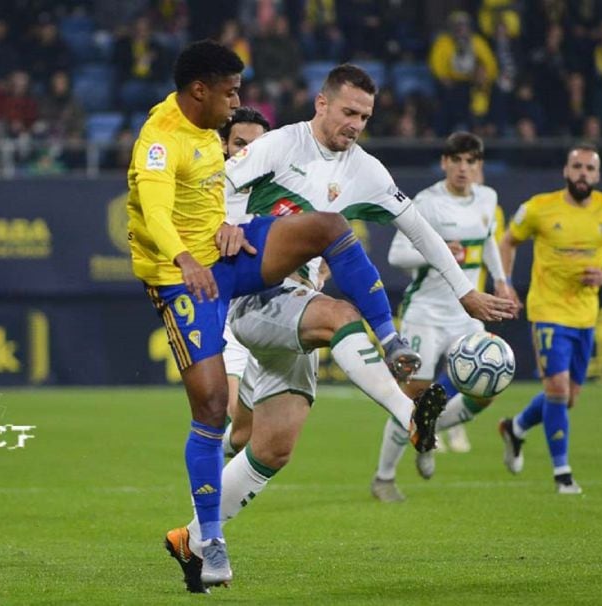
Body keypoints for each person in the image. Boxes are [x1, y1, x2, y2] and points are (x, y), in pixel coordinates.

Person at [163, 64, 518, 590]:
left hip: (296, 309)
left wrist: (465, 291)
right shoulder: (279, 145)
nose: (356, 123)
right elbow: (218, 184)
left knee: (272, 447)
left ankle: (190, 539)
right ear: (321, 104)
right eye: (349, 111)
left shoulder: (367, 170)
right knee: (340, 315)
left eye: (366, 116)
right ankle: (410, 414)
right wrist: (227, 224)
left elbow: (417, 230)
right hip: (257, 298)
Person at [131, 41, 444, 592]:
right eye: (230, 93)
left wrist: (230, 225)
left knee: (271, 443)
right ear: (200, 91)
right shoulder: (162, 142)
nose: (238, 102)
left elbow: (220, 189)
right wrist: (184, 255)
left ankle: (392, 346)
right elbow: (157, 209)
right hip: (187, 278)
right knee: (212, 408)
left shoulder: (212, 128)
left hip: (239, 264)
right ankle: (210, 540)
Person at [371, 132, 516, 502]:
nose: (463, 168)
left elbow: (487, 242)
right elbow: (396, 256)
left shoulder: (488, 198)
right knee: (412, 397)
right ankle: (384, 478)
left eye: (471, 161)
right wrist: (436, 252)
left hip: (467, 314)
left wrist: (501, 281)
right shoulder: (428, 203)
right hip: (426, 313)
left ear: (478, 166)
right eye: (457, 160)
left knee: (488, 389)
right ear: (444, 163)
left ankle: (428, 429)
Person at [496, 143, 602, 495]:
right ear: (566, 171)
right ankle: (563, 474)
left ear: (598, 175)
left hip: (585, 315)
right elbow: (507, 242)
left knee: (568, 397)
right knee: (556, 389)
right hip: (547, 310)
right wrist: (506, 284)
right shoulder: (539, 208)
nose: (583, 174)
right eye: (577, 167)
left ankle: (516, 428)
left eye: (589, 168)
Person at [216, 107, 271, 457]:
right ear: (224, 145)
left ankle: (222, 451)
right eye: (240, 144)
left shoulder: (283, 192)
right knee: (236, 413)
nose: (248, 154)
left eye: (258, 146)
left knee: (246, 437)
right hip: (225, 314)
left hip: (272, 311)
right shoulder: (209, 193)